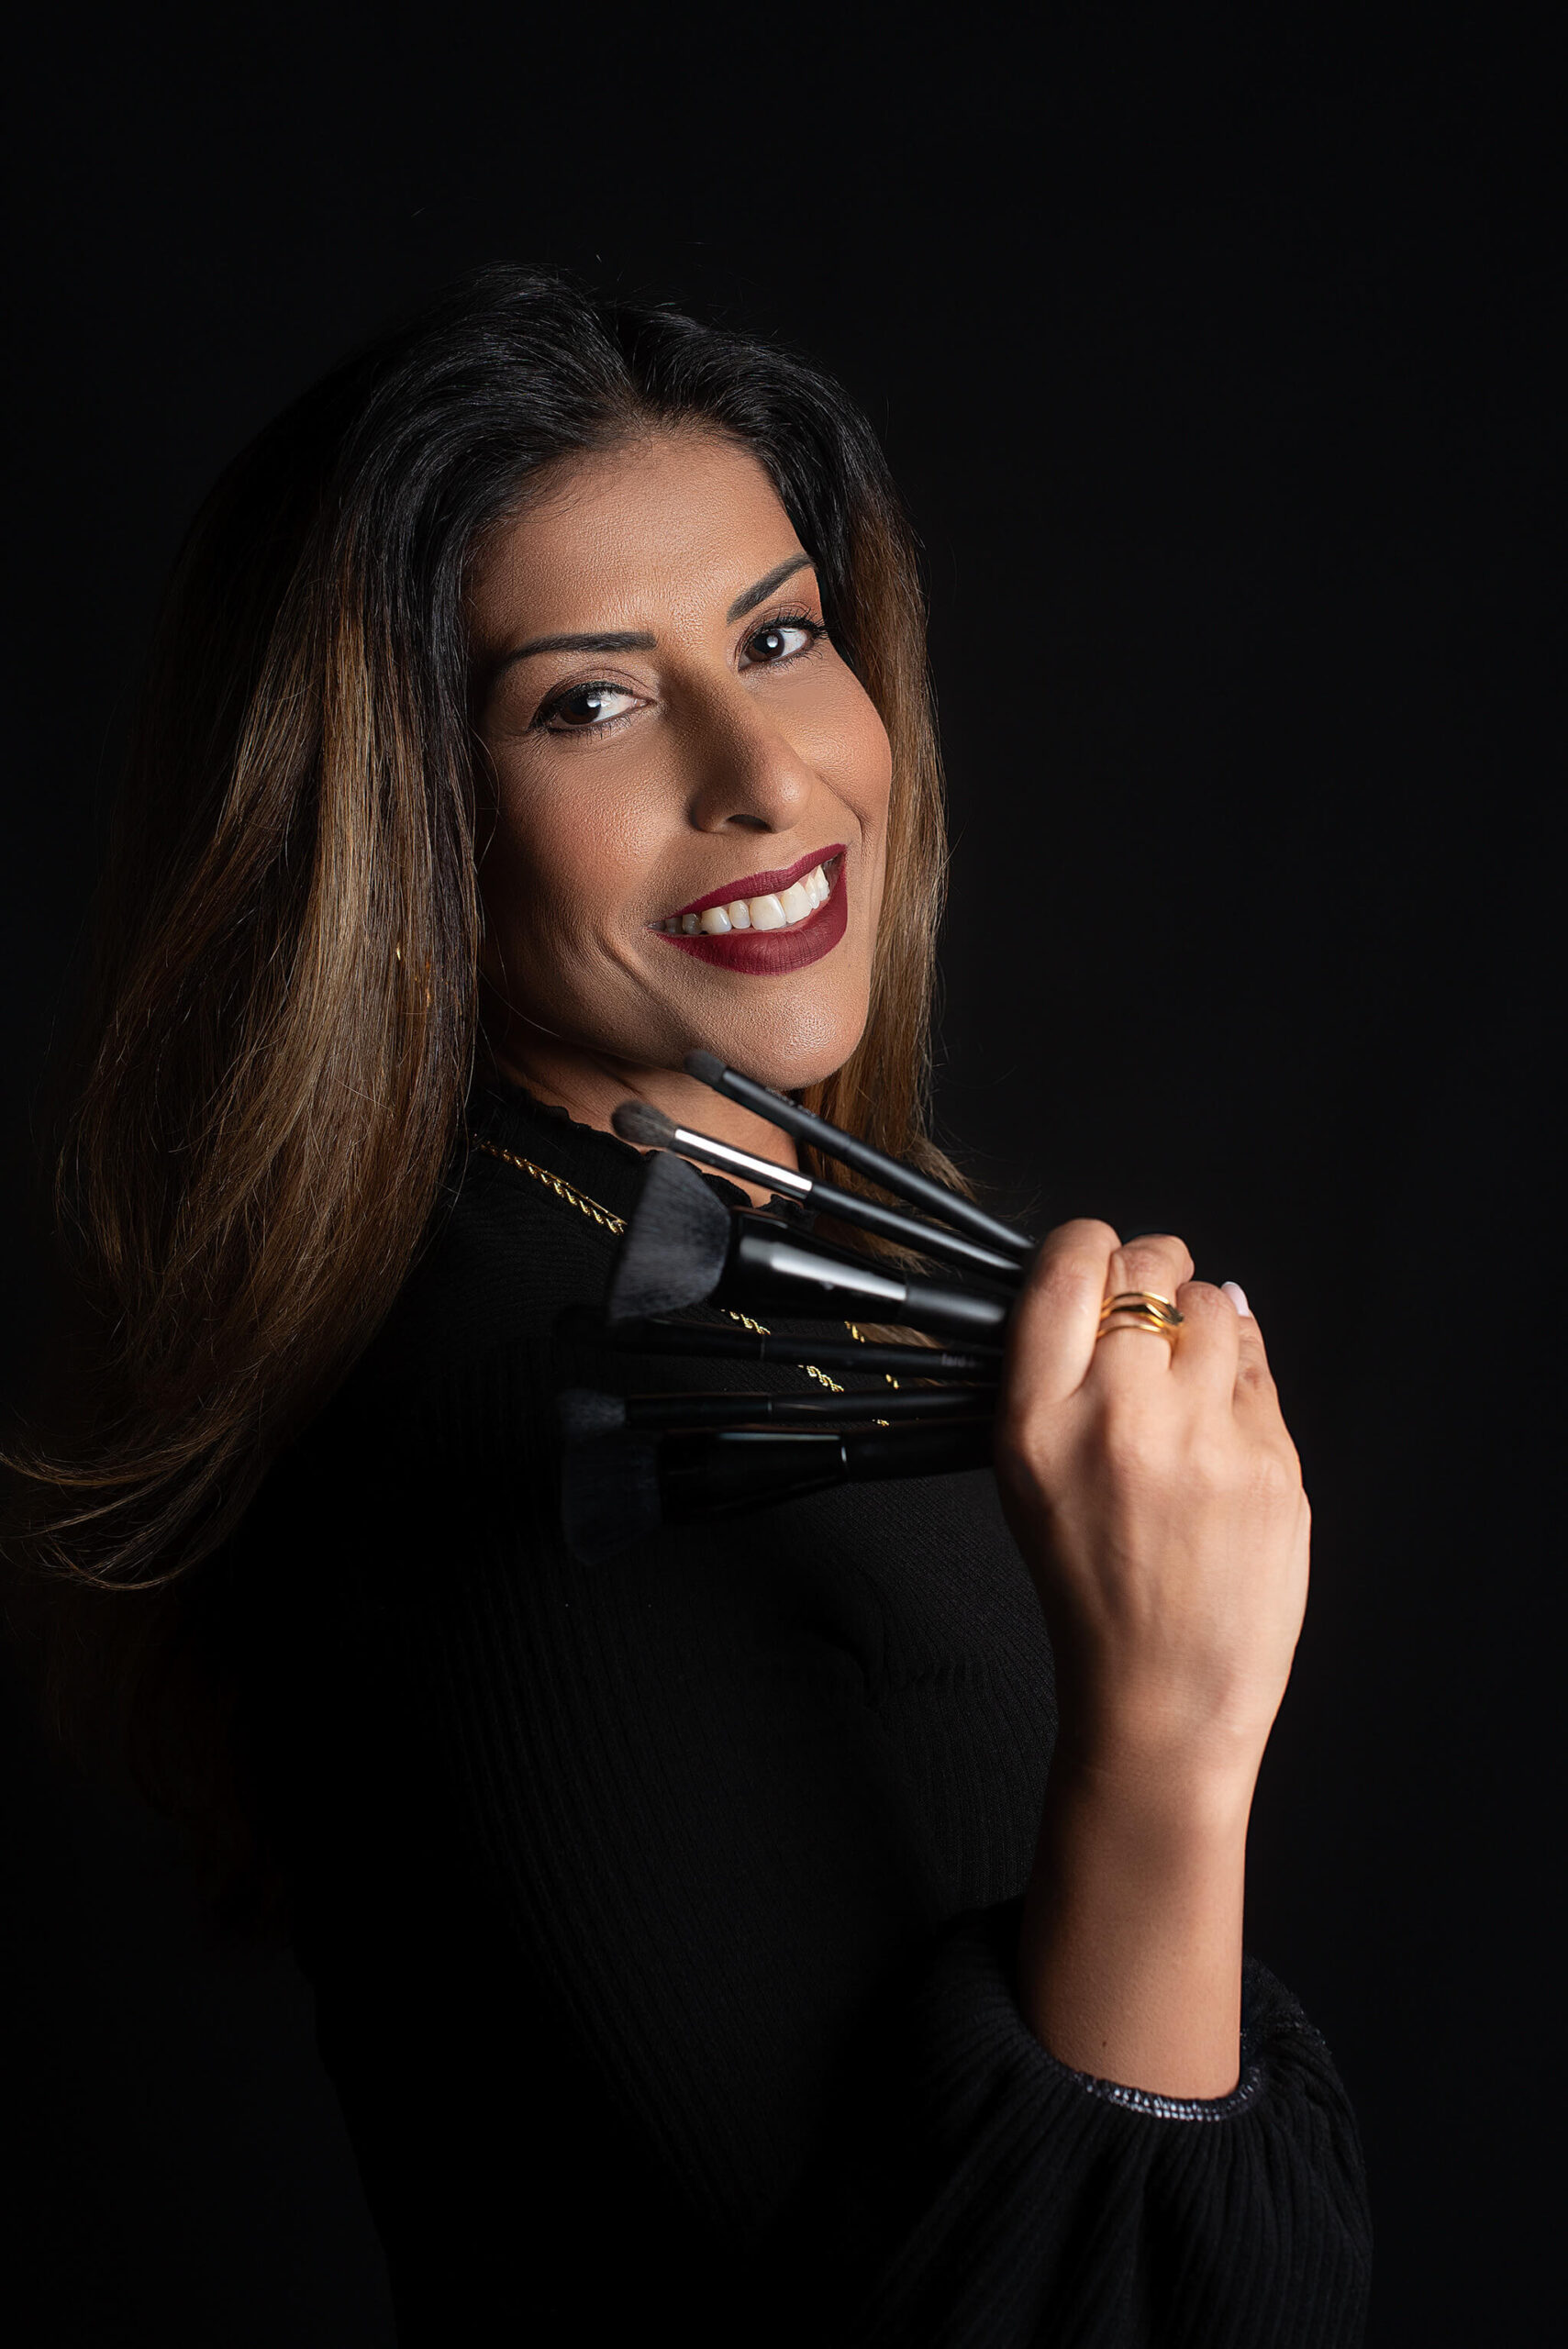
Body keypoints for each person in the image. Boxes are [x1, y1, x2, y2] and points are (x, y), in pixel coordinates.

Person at [6, 269, 1371, 2343]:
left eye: (781, 636)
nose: (766, 774)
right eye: (588, 702)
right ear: (406, 819)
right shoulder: (522, 1460)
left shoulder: (755, 1232)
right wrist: (1175, 1732)